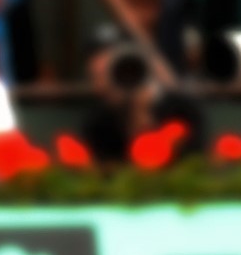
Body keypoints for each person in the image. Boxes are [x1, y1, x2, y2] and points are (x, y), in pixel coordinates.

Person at [76, 35, 206, 165]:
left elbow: (190, 165)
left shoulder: (181, 111)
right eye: (97, 77)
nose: (105, 84)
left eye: (111, 73)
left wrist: (144, 115)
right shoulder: (97, 125)